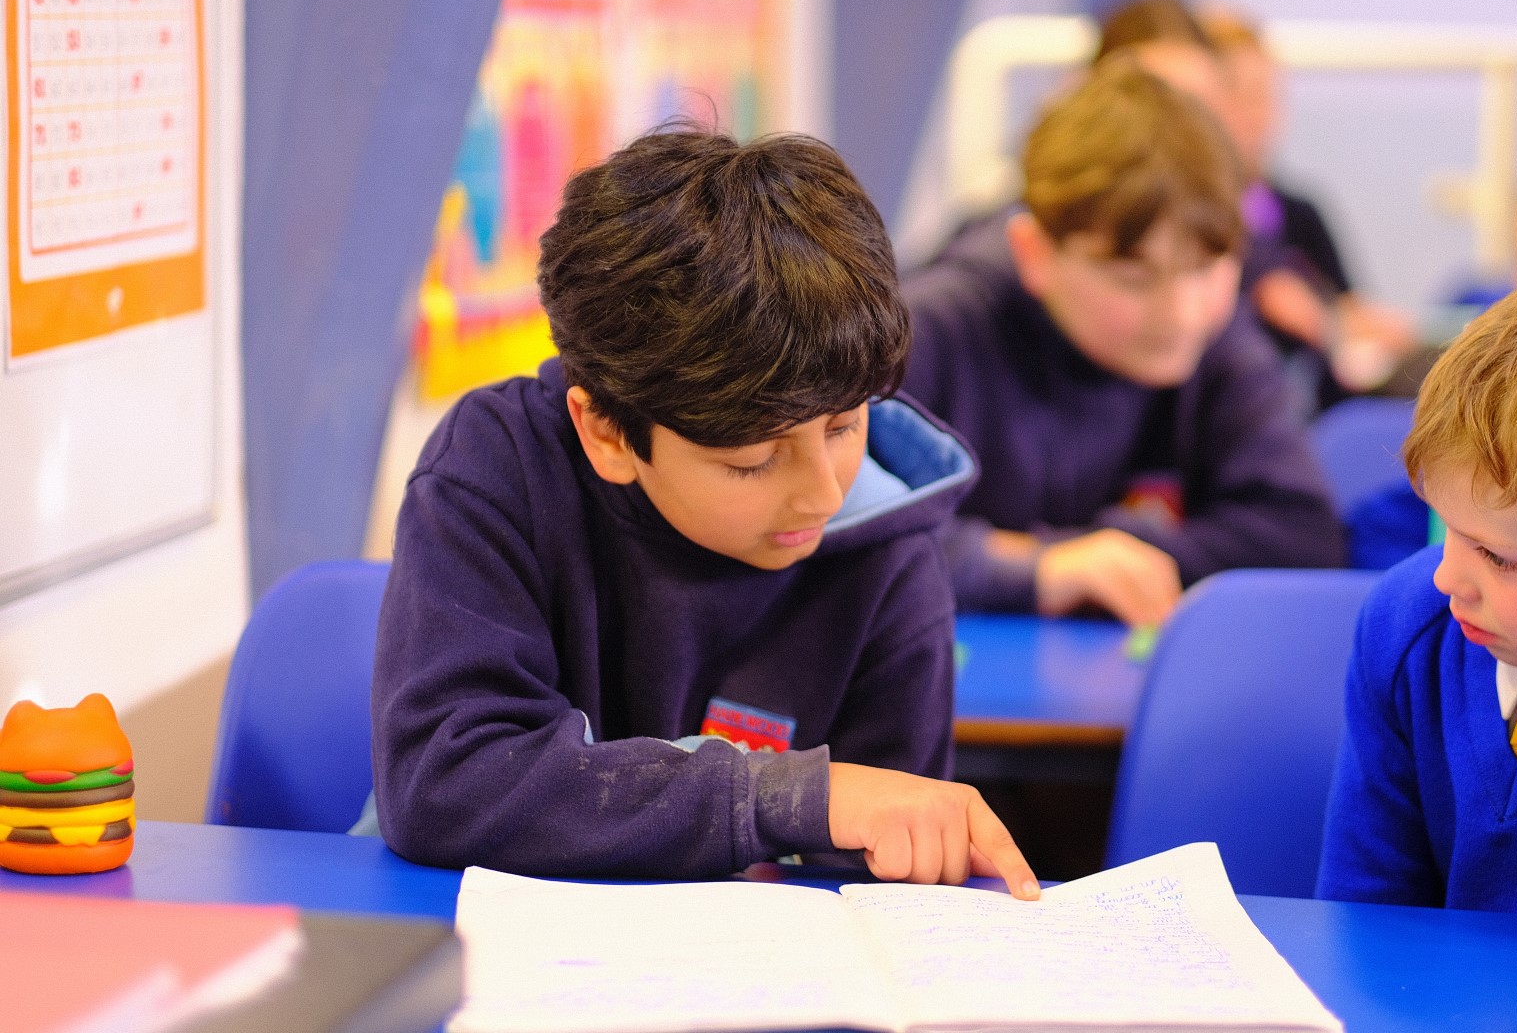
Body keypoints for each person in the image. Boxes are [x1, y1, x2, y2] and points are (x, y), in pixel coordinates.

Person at [370, 127, 1039, 898]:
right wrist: (782, 798)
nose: (824, 494)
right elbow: (444, 781)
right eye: (752, 460)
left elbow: (889, 874)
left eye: (844, 426)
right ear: (607, 433)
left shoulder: (890, 550)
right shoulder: (499, 468)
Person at [901, 57, 1343, 625]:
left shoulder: (1220, 339)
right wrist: (1034, 566)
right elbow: (834, 531)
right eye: (1133, 278)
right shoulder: (931, 329)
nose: (1180, 313)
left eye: (1205, 268)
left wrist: (1119, 553)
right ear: (1034, 253)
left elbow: (1302, 537)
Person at [1317, 254, 1517, 917]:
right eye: (1448, 527)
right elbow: (1364, 918)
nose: (1447, 577)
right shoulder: (1411, 626)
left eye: (1497, 557)